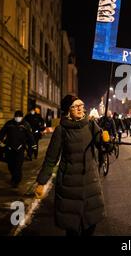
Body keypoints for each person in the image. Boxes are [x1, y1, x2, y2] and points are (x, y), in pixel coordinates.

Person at [35, 95, 106, 236]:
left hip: (90, 184)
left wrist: (106, 140)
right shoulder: (61, 130)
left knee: (90, 225)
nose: (80, 108)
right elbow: (51, 158)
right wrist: (42, 182)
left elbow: (104, 147)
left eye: (81, 104)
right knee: (72, 228)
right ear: (68, 111)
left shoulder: (91, 125)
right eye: (75, 106)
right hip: (69, 186)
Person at [0, 111, 36, 188]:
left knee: (18, 165)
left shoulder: (25, 124)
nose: (18, 118)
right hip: (10, 147)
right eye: (16, 116)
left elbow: (30, 136)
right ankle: (14, 176)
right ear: (14, 116)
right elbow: (2, 133)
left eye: (19, 116)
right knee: (10, 165)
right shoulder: (9, 124)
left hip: (20, 148)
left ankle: (16, 180)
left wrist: (33, 146)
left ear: (22, 117)